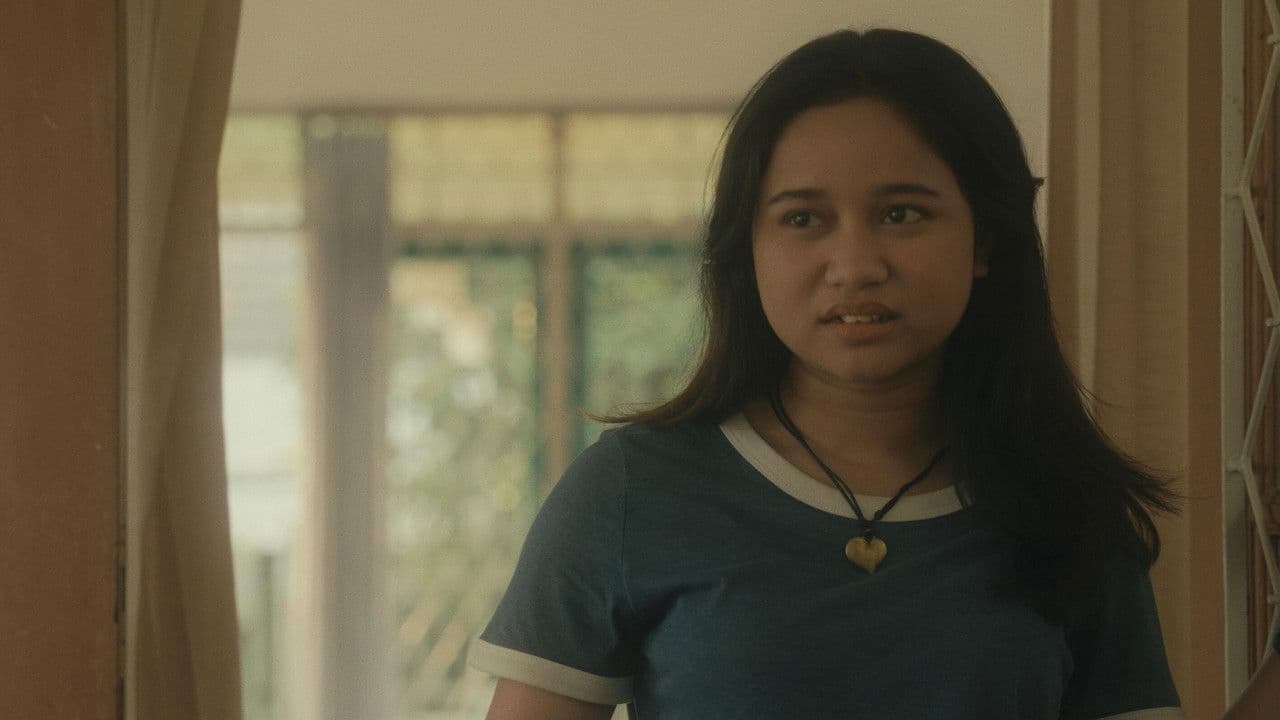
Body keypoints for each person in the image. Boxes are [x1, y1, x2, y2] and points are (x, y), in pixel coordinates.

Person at [468, 29, 1183, 719]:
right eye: (804, 219)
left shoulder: (1069, 505)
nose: (855, 266)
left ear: (984, 240)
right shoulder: (632, 492)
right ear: (748, 248)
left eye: (901, 213)